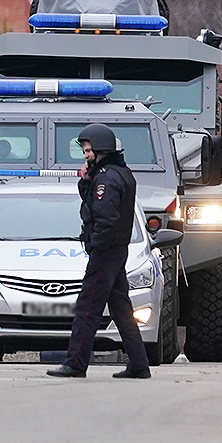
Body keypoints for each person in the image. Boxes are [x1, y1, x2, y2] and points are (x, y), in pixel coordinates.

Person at [46, 123, 151, 379]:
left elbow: (104, 215)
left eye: (88, 149)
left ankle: (75, 363)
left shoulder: (107, 178)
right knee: (121, 308)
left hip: (105, 252)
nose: (85, 155)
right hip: (117, 250)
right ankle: (138, 364)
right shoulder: (119, 173)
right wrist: (86, 182)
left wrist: (97, 246)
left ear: (101, 147)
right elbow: (95, 203)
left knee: (87, 307)